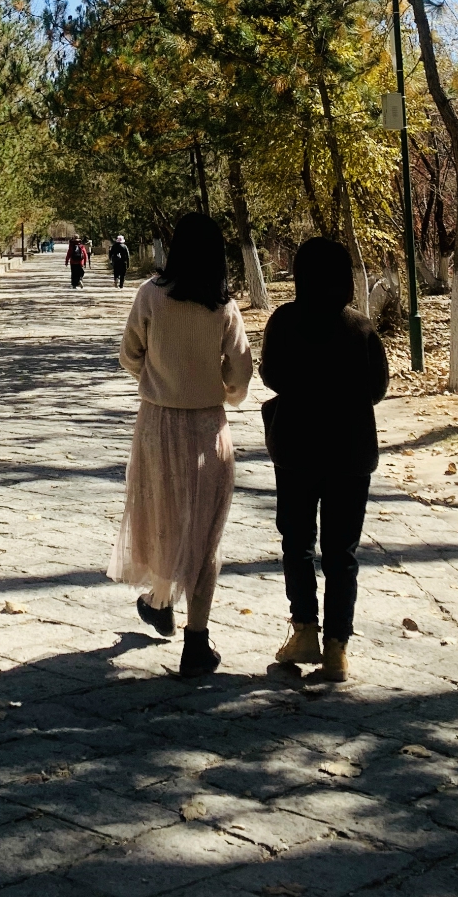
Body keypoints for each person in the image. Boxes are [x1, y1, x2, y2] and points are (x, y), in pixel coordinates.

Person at [109, 212, 253, 677]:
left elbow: (129, 354)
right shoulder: (224, 308)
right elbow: (241, 374)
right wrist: (220, 391)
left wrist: (157, 380)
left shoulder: (150, 296)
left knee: (163, 520)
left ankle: (159, 601)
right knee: (205, 535)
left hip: (157, 425)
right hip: (208, 430)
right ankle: (196, 640)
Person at [260, 235, 388, 683]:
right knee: (342, 552)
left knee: (297, 543)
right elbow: (377, 389)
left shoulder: (285, 320)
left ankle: (304, 631)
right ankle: (337, 647)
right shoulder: (361, 328)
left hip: (296, 448)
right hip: (351, 452)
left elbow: (271, 375)